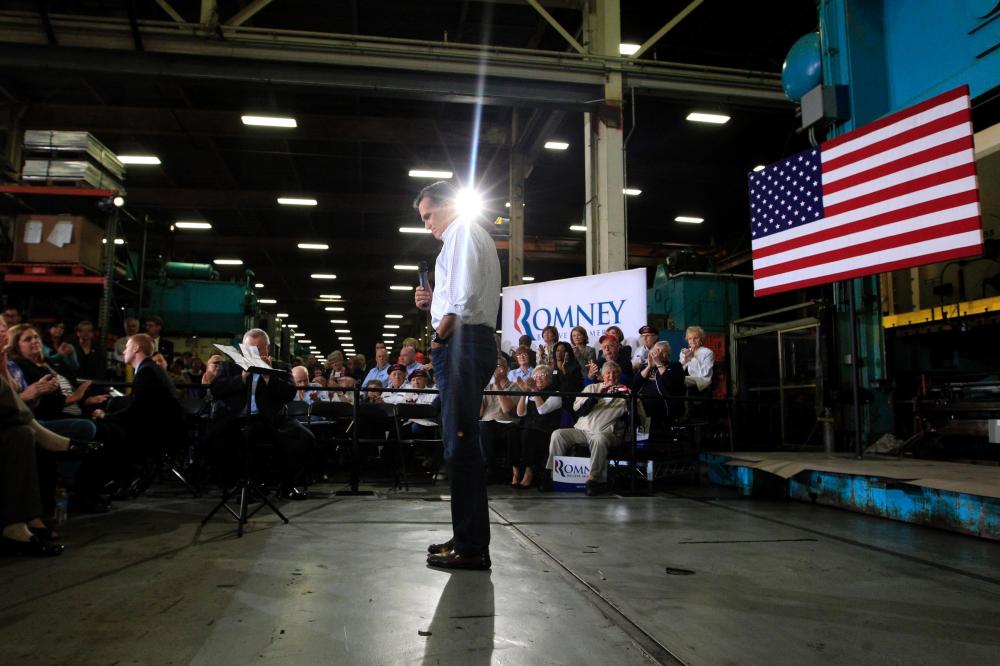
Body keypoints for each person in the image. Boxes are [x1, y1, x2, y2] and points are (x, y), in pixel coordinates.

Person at [413, 180, 500, 570]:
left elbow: (464, 301)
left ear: (448, 204)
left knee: (460, 445)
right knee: (459, 443)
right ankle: (466, 537)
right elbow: (461, 296)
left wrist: (437, 338)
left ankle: (471, 546)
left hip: (461, 344)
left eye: (429, 215)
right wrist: (433, 302)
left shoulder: (462, 232)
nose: (427, 224)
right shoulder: (466, 236)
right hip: (469, 341)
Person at [208, 328, 314, 500]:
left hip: (271, 419)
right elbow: (216, 389)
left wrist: (267, 376)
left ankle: (288, 486)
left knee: (304, 438)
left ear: (268, 349)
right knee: (218, 437)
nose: (253, 353)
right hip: (238, 419)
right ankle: (242, 486)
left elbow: (288, 393)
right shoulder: (229, 367)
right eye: (249, 349)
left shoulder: (281, 367)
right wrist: (242, 378)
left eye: (258, 349)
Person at [544, 360, 629, 496]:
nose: (611, 376)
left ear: (619, 375)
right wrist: (598, 395)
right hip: (582, 431)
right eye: (608, 373)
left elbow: (637, 418)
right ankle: (552, 475)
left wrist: (629, 400)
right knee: (558, 434)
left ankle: (594, 480)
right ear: (602, 375)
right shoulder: (591, 388)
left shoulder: (626, 393)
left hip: (606, 433)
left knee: (599, 439)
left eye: (615, 373)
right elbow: (579, 411)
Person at [510, 365, 561, 488]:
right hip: (529, 427)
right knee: (512, 432)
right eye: (536, 375)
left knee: (528, 433)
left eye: (542, 375)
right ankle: (516, 471)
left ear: (549, 378)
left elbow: (542, 410)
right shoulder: (530, 394)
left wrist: (534, 390)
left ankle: (529, 472)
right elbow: (520, 413)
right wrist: (524, 393)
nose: (538, 378)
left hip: (544, 430)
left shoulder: (556, 394)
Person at [479, 356, 519, 483]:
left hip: (506, 422)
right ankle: (488, 468)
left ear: (506, 369)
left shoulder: (514, 387)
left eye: (498, 366)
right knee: (482, 426)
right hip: (487, 422)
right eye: (493, 367)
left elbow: (507, 409)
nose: (496, 369)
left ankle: (493, 470)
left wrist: (497, 385)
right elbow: (479, 413)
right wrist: (477, 390)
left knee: (487, 427)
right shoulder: (487, 387)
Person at [633, 341, 686, 431]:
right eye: (657, 351)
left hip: (665, 406)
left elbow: (670, 384)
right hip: (643, 405)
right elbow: (634, 384)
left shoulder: (675, 366)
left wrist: (659, 364)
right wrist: (649, 367)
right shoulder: (645, 367)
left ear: (668, 354)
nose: (659, 354)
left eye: (663, 351)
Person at [680, 325, 714, 391]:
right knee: (671, 378)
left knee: (679, 379)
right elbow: (680, 371)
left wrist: (691, 358)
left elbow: (704, 373)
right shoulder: (685, 352)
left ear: (701, 339)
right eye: (690, 338)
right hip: (690, 379)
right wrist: (685, 361)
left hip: (703, 380)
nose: (692, 340)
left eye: (695, 338)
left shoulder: (708, 352)